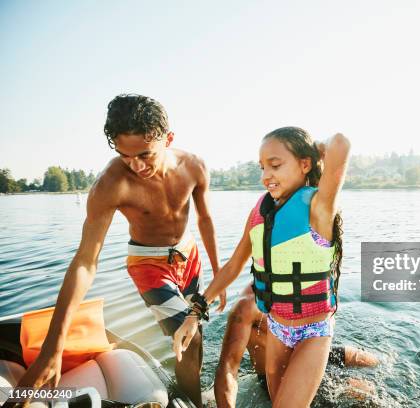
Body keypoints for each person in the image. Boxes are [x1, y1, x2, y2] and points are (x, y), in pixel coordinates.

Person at [17, 94, 224, 407]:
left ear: (168, 139)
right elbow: (86, 262)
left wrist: (218, 270)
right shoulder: (111, 184)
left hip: (189, 255)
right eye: (125, 156)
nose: (136, 166)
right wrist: (52, 348)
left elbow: (206, 219)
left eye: (145, 154)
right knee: (189, 336)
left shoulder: (194, 166)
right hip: (148, 263)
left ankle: (189, 390)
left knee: (196, 333)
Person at [174, 127, 350, 407]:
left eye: (275, 165)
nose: (265, 175)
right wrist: (195, 313)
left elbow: (340, 143)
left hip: (313, 331)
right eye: (262, 167)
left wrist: (314, 149)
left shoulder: (319, 207)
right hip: (278, 330)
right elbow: (233, 265)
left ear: (305, 164)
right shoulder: (260, 211)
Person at [213, 284, 379, 407]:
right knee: (359, 395)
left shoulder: (310, 287)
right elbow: (228, 366)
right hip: (280, 376)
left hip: (316, 358)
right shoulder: (248, 306)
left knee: (373, 364)